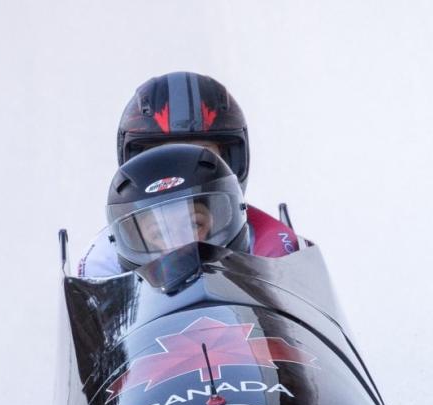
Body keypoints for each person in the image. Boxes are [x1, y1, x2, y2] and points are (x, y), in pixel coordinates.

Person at [78, 71, 301, 277]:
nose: (182, 171)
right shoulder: (103, 260)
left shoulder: (275, 246)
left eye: (201, 156)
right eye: (164, 158)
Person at [105, 143, 249, 271]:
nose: (180, 245)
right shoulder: (98, 266)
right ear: (137, 241)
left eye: (194, 225)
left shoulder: (269, 251)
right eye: (159, 234)